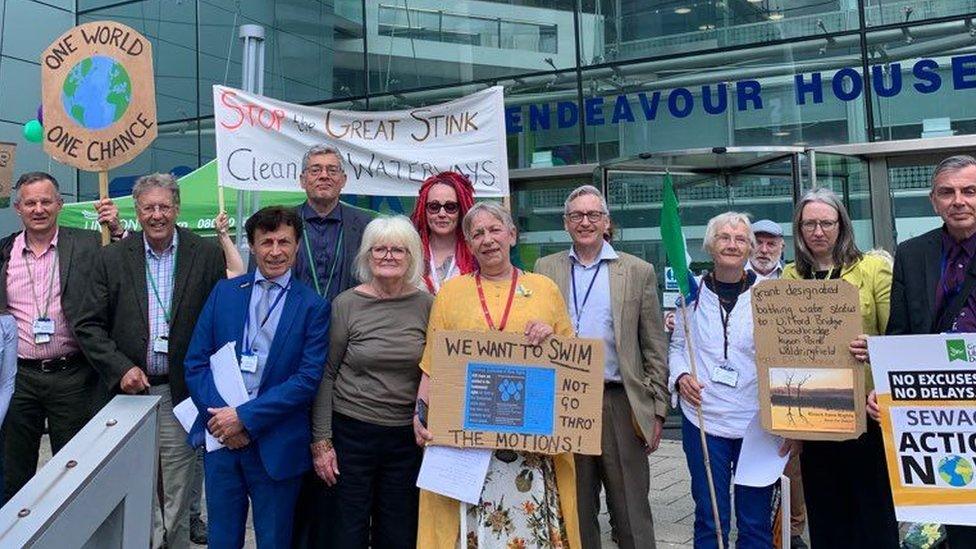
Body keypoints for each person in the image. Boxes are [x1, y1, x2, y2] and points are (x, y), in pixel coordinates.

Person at [414, 202, 581, 549]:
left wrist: (550, 336)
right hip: (469, 445)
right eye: (477, 233)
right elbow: (434, 363)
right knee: (470, 530)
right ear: (469, 244)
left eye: (494, 230)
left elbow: (573, 360)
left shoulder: (544, 288)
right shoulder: (451, 293)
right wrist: (420, 413)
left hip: (530, 446)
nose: (487, 239)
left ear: (512, 235)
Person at [74, 173, 226, 548]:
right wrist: (120, 368)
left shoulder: (205, 253)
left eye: (164, 206)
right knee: (133, 481)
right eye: (148, 208)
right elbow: (87, 324)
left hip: (179, 395)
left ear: (176, 209)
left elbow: (219, 321)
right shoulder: (110, 257)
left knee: (177, 488)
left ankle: (166, 543)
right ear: (137, 212)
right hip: (128, 397)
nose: (157, 215)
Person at [184, 206, 330, 548]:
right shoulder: (224, 293)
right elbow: (195, 363)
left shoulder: (313, 307)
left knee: (275, 541)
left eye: (284, 242)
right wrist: (224, 420)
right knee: (221, 539)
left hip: (276, 445)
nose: (275, 251)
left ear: (296, 247)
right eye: (266, 242)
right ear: (251, 245)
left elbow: (307, 380)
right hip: (222, 443)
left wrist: (245, 419)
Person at [534, 185, 668, 549]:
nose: (585, 222)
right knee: (575, 506)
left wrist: (656, 410)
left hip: (619, 400)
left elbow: (654, 346)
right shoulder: (545, 270)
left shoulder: (637, 271)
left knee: (630, 509)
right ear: (566, 223)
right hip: (565, 400)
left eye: (594, 215)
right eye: (577, 215)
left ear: (606, 222)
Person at [782, 188, 898, 548]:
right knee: (826, 512)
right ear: (799, 230)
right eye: (810, 224)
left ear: (842, 225)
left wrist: (873, 347)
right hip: (816, 415)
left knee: (874, 513)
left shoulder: (872, 268)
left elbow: (897, 333)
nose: (818, 231)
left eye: (826, 223)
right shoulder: (790, 277)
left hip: (868, 412)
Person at [310, 216, 431, 548]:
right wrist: (322, 442)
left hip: (406, 440)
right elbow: (327, 375)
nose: (388, 256)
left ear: (411, 257)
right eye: (380, 249)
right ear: (367, 255)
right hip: (352, 433)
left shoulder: (427, 305)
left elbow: (434, 371)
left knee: (399, 533)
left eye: (398, 250)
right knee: (347, 533)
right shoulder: (346, 304)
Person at [0, 171, 122, 501]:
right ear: (17, 208)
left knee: (74, 469)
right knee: (14, 472)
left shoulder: (88, 244)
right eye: (30, 203)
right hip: (19, 380)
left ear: (59, 204)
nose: (38, 209)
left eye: (45, 201)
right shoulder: (4, 253)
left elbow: (125, 267)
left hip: (73, 377)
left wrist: (119, 231)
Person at [668, 212, 780, 549]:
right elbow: (677, 347)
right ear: (710, 245)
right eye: (724, 237)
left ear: (750, 248)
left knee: (755, 520)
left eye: (740, 239)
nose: (732, 244)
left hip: (757, 424)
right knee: (710, 517)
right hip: (704, 420)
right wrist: (681, 376)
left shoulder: (770, 296)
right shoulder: (691, 293)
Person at [882, 155, 976, 547]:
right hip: (938, 418)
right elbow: (900, 334)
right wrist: (886, 394)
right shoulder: (911, 253)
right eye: (947, 192)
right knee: (952, 525)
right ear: (933, 202)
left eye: (969, 191)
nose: (959, 200)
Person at [291, 145, 371, 548]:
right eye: (315, 170)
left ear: (343, 179)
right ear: (302, 178)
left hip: (354, 362)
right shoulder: (282, 224)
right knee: (297, 469)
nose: (323, 175)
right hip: (293, 358)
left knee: (343, 469)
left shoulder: (367, 227)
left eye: (332, 170)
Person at [409, 171, 477, 293]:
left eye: (450, 207)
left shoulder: (477, 253)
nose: (442, 214)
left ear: (461, 210)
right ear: (424, 210)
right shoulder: (409, 252)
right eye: (434, 207)